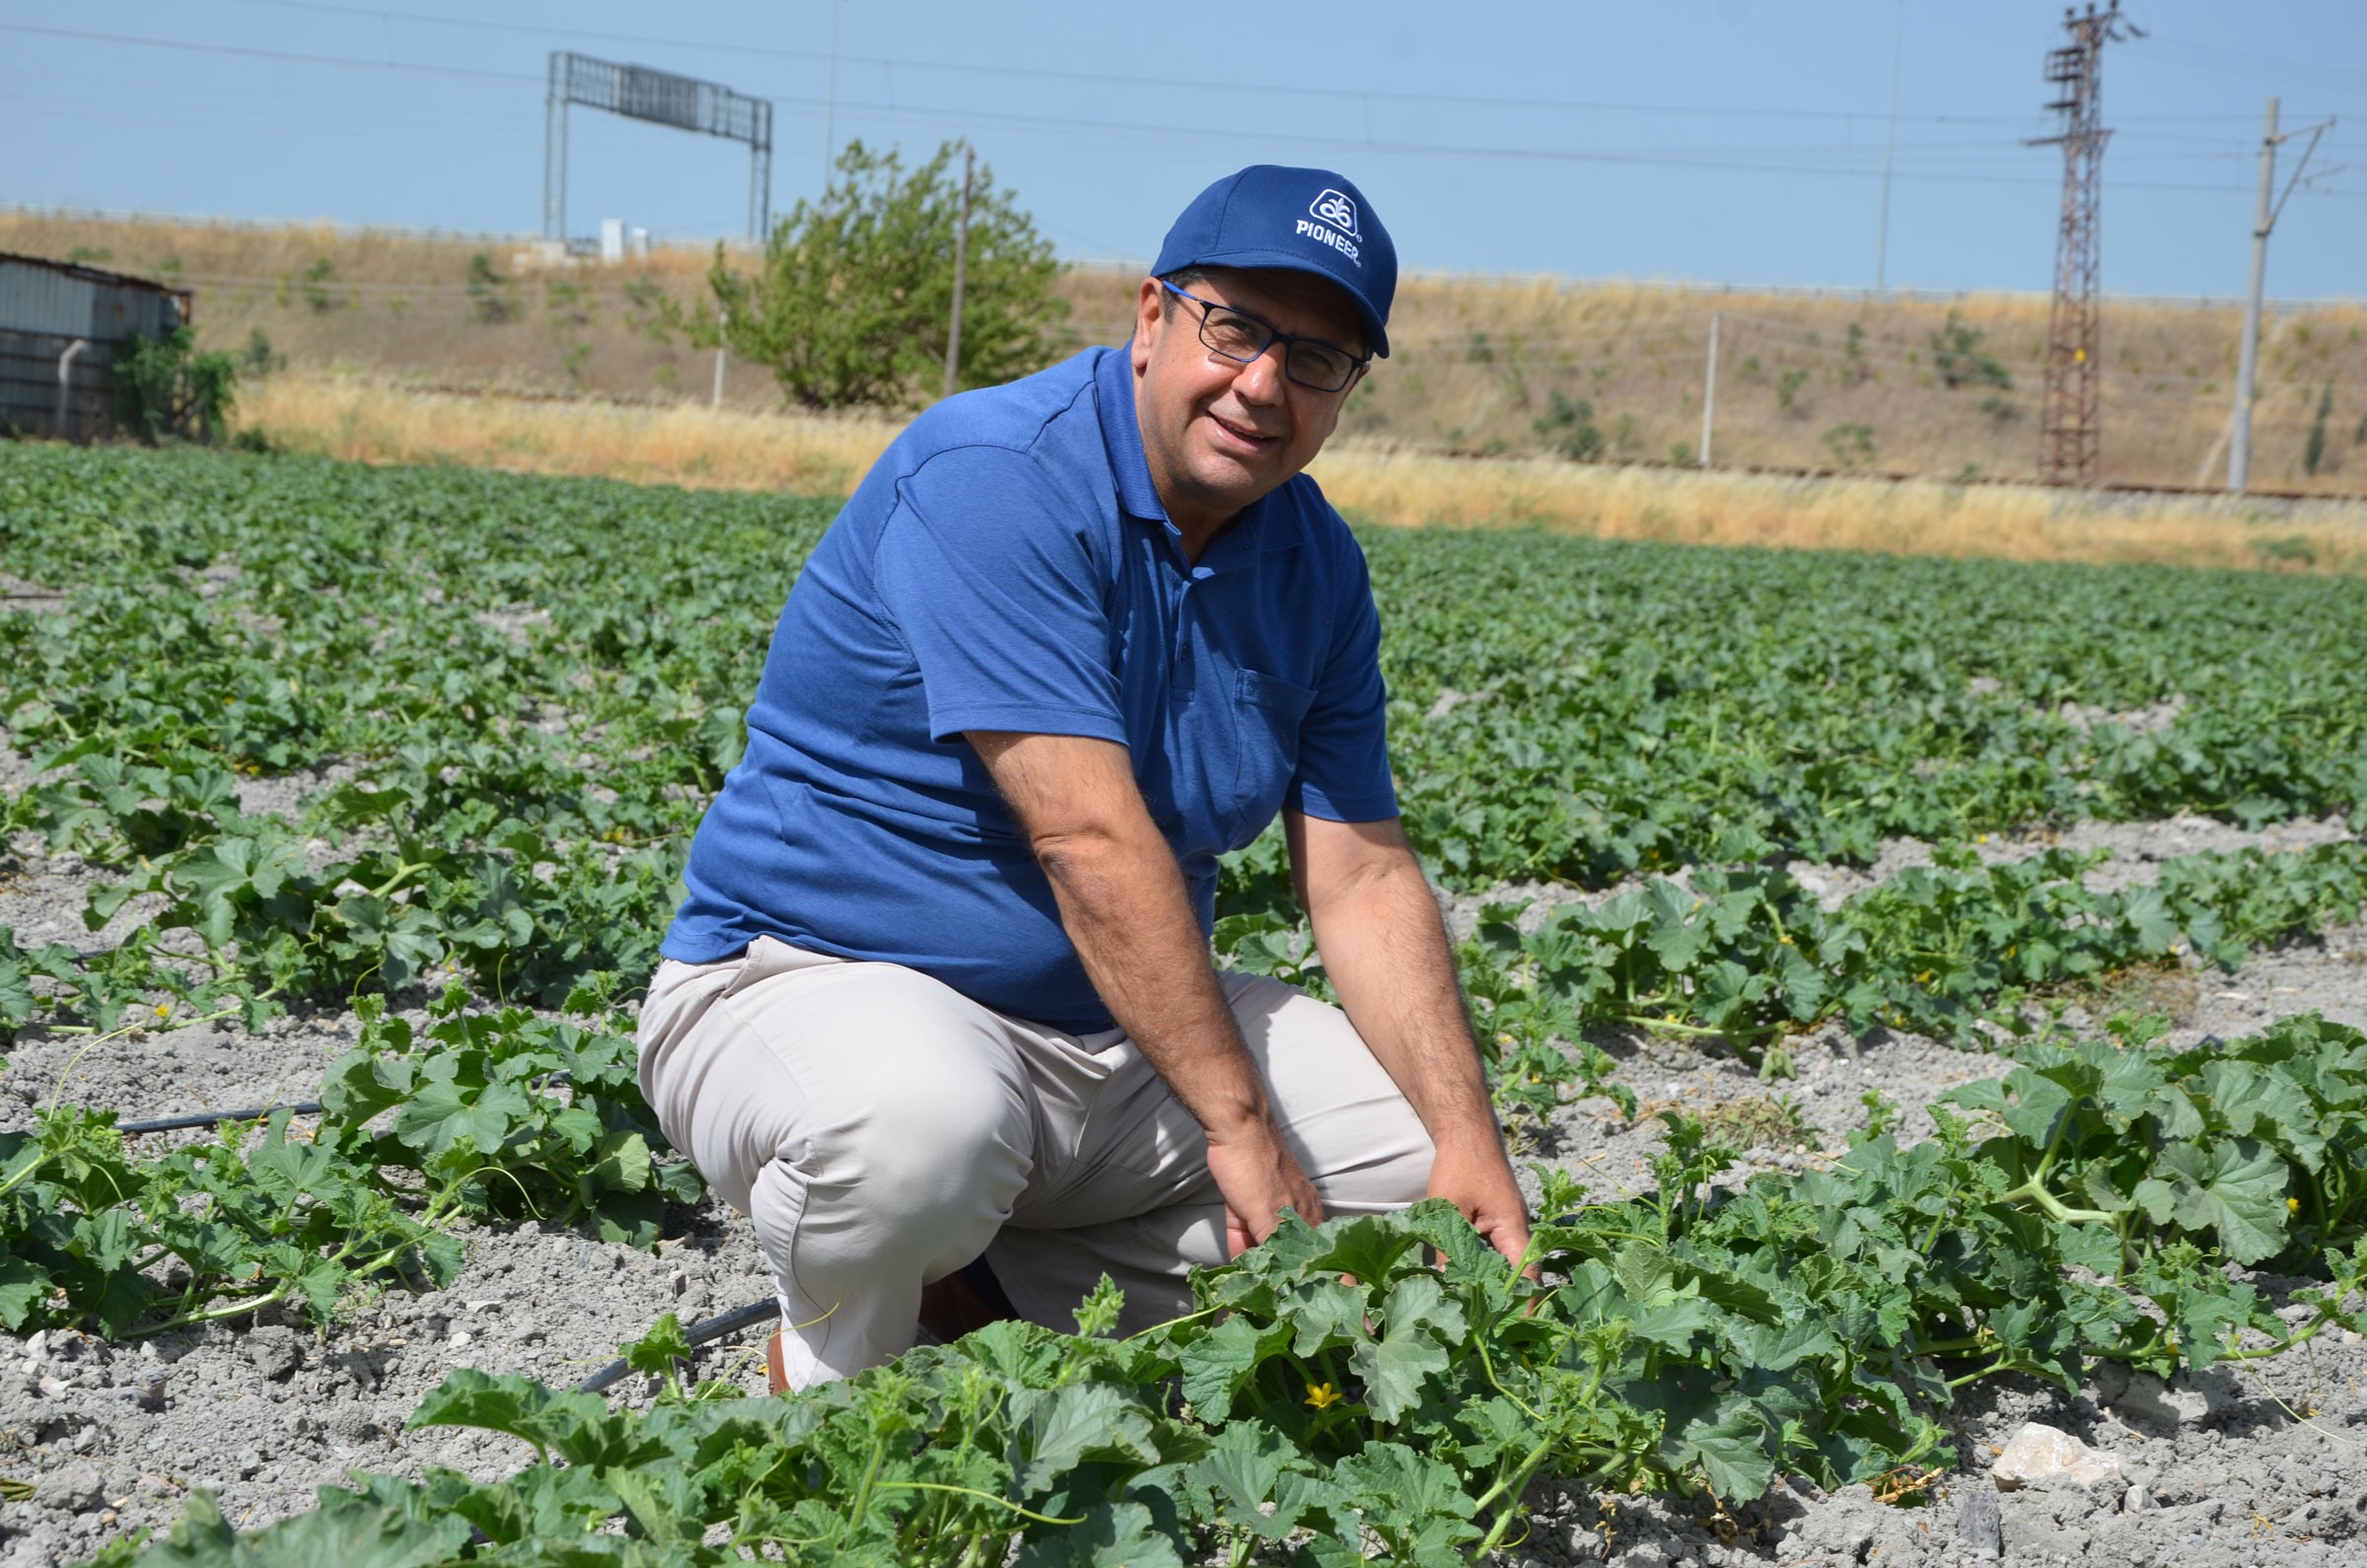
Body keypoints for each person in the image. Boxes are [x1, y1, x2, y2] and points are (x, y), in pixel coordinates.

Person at [637, 165, 1530, 1393]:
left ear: (1346, 392)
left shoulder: (1314, 566)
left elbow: (1365, 877)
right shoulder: (998, 476)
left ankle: (979, 1298)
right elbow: (1086, 842)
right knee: (915, 1132)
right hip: (816, 982)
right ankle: (829, 1366)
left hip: (1109, 1039)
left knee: (1408, 1177)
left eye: (1316, 359)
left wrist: (1471, 1138)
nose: (1264, 384)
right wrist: (1240, 1127)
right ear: (1153, 317)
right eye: (1237, 329)